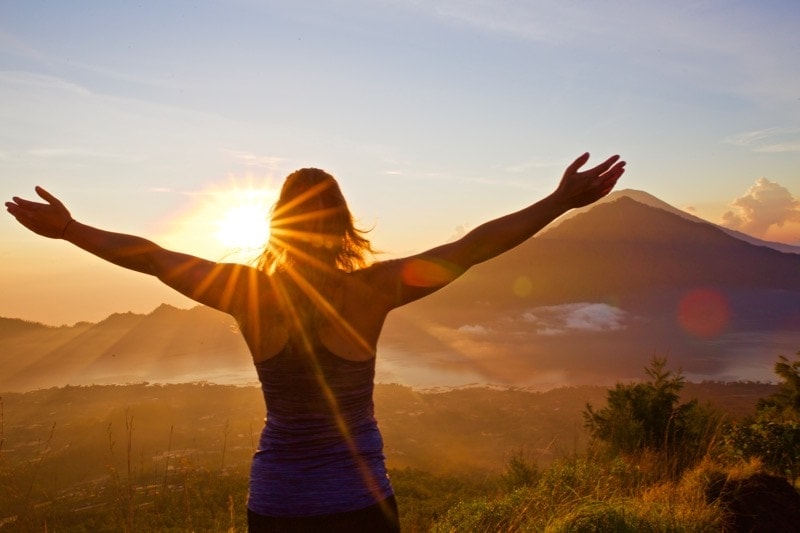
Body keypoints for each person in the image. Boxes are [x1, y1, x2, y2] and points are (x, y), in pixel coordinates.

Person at [5, 152, 625, 532]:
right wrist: (558, 202)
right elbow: (471, 249)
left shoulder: (248, 293)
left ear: (279, 225)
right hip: (360, 502)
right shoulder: (374, 290)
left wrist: (71, 230)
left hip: (276, 505)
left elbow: (152, 258)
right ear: (343, 225)